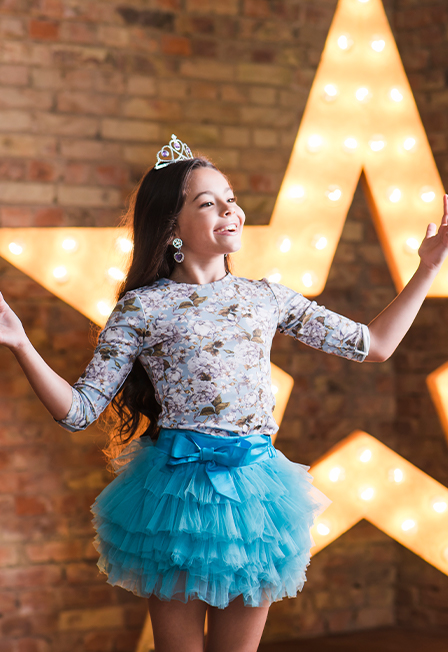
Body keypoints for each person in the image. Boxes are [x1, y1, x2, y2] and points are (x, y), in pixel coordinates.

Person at [0, 133, 447, 652]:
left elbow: (375, 345)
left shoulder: (265, 298)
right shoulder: (143, 308)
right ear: (172, 226)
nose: (229, 210)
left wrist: (428, 268)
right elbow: (78, 411)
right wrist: (20, 342)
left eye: (230, 199)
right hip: (175, 497)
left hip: (257, 495)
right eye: (207, 203)